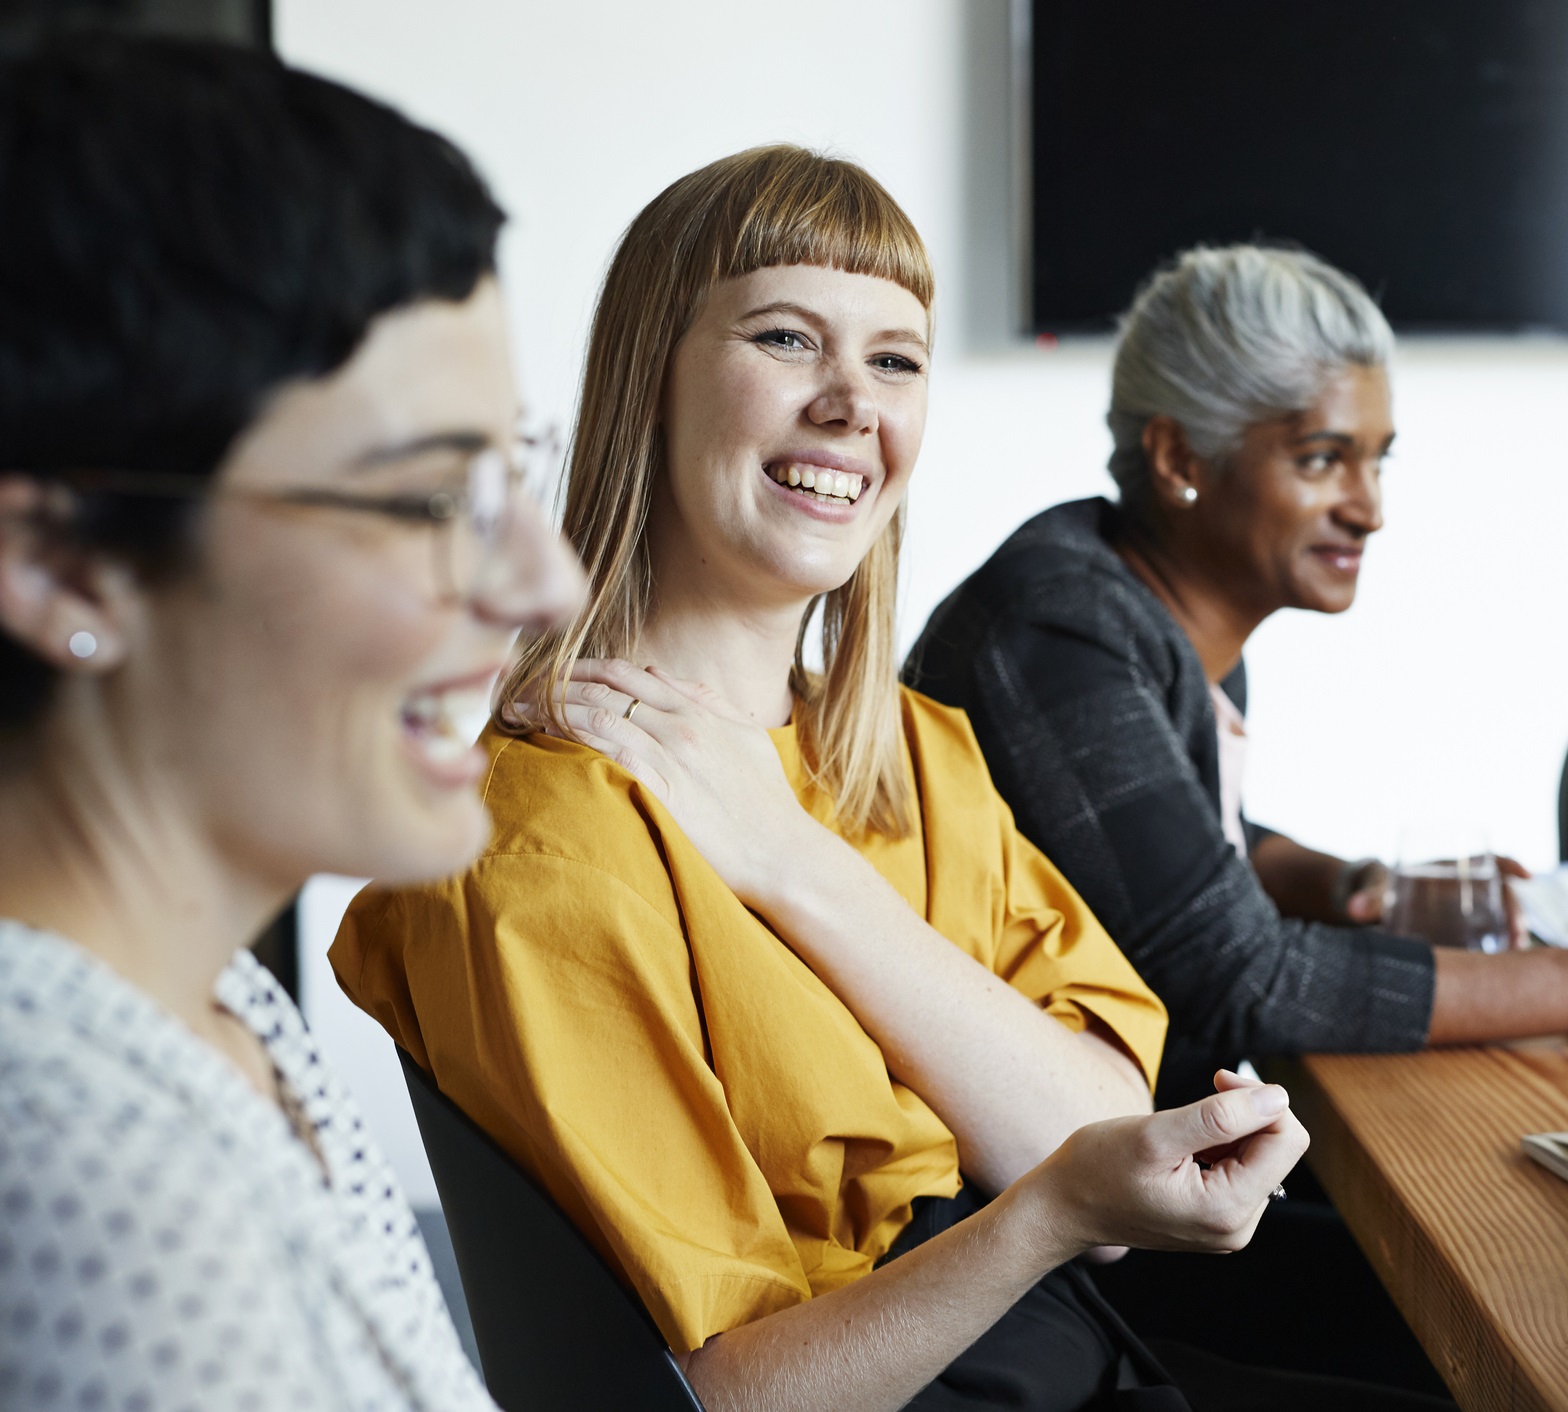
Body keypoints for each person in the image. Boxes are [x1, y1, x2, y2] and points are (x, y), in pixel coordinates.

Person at [334, 148, 1466, 1412]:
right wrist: (1043, 1212)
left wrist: (794, 864)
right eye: (783, 337)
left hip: (1081, 1357)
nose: (848, 404)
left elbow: (1088, 1123)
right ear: (645, 377)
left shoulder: (917, 752)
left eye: (894, 358)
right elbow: (738, 1396)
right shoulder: (535, 844)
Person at [0, 37, 583, 1410]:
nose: (545, 587)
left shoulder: (216, 1004)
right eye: (427, 500)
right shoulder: (79, 1169)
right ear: (64, 566)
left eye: (511, 473)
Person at [904, 243, 1564, 1112]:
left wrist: (1348, 884)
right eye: (1322, 459)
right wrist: (1553, 978)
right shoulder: (1059, 630)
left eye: (1377, 460)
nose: (1369, 508)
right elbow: (1241, 979)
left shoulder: (1154, 616)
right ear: (1180, 460)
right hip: (1043, 1216)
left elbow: (1194, 852)